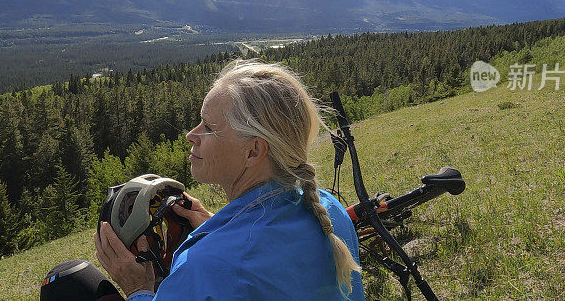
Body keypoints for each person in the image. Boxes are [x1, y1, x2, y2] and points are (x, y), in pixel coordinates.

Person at [94, 59, 365, 300]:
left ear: (253, 151)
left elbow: (236, 268)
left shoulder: (208, 266)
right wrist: (219, 229)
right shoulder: (329, 211)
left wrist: (137, 289)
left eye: (209, 127)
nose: (191, 134)